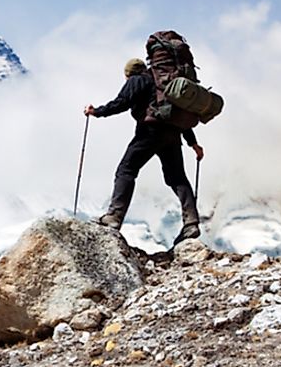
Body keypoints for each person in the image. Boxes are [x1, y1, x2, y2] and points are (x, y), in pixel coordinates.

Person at [84, 58, 204, 245]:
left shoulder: (137, 80)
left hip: (149, 133)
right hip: (172, 135)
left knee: (126, 170)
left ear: (128, 73)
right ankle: (191, 223)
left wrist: (96, 112)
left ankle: (114, 217)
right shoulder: (164, 86)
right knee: (177, 177)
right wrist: (193, 144)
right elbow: (177, 116)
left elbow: (122, 103)